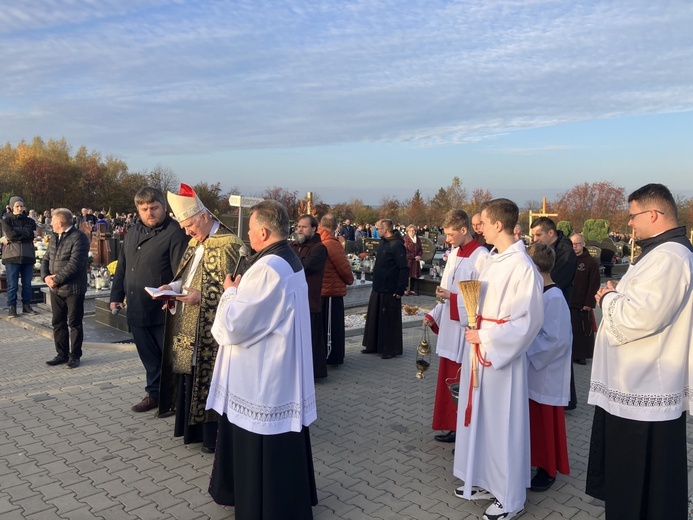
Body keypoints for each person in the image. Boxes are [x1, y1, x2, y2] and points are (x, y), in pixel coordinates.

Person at [586, 183, 693, 520]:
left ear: (653, 214)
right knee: (634, 484)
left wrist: (608, 298)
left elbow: (640, 318)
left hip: (645, 388)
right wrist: (620, 290)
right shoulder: (658, 253)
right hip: (632, 385)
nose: (629, 223)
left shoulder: (670, 257)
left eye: (633, 216)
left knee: (642, 486)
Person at [207, 200, 318, 518]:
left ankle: (265, 507)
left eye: (251, 229)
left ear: (264, 231)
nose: (248, 235)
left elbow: (234, 327)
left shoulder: (268, 268)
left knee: (263, 441)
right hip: (279, 367)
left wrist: (230, 292)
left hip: (263, 376)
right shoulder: (287, 258)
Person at [454, 198, 543, 520]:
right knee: (481, 419)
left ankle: (510, 497)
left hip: (500, 358)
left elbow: (529, 321)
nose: (479, 228)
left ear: (498, 225)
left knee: (502, 425)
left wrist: (488, 337)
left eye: (484, 223)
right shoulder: (492, 260)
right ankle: (483, 479)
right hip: (479, 347)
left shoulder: (522, 267)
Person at [156, 183, 243, 452]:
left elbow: (237, 293)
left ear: (204, 216)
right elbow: (186, 276)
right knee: (189, 374)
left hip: (211, 329)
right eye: (183, 227)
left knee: (209, 377)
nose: (187, 232)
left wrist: (201, 298)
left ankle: (212, 436)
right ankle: (192, 431)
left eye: (189, 225)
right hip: (188, 320)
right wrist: (172, 289)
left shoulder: (230, 244)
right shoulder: (195, 242)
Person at [110, 187, 189, 413]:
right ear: (138, 210)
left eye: (154, 208)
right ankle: (154, 394)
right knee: (148, 357)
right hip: (136, 306)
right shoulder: (133, 231)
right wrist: (116, 296)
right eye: (144, 209)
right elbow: (123, 266)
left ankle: (173, 400)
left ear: (164, 206)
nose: (149, 213)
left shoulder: (175, 233)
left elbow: (180, 273)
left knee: (168, 358)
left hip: (162, 309)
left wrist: (174, 294)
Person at [424, 210, 487, 444]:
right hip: (450, 328)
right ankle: (452, 425)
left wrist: (452, 298)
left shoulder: (481, 256)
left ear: (463, 230)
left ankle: (465, 429)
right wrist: (434, 313)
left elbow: (481, 296)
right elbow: (445, 288)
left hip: (464, 329)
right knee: (449, 379)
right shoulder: (453, 254)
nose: (447, 239)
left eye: (450, 234)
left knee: (462, 379)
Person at [525, 243, 571, 492]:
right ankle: (535, 461)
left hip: (546, 373)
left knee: (545, 423)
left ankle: (548, 468)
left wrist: (524, 347)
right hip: (534, 369)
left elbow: (556, 339)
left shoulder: (554, 297)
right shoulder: (539, 293)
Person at [41, 208, 90, 368]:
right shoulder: (55, 237)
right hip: (56, 288)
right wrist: (46, 277)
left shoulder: (79, 238)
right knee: (57, 322)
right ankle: (61, 354)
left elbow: (75, 264)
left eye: (53, 222)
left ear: (60, 222)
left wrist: (57, 279)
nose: (51, 225)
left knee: (74, 323)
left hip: (73, 288)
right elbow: (46, 258)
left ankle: (74, 356)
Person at [361, 219, 409, 360]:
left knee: (388, 320)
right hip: (378, 287)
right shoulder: (383, 242)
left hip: (390, 288)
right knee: (375, 318)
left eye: (378, 229)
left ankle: (390, 348)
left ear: (385, 229)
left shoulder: (397, 245)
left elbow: (403, 268)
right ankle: (373, 345)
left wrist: (400, 289)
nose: (377, 231)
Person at [291, 214, 328, 379]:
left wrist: (290, 263)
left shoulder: (319, 248)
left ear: (314, 228)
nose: (300, 229)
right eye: (298, 226)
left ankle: (311, 373)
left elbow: (308, 266)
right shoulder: (293, 246)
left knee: (310, 339)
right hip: (292, 300)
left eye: (304, 226)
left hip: (309, 301)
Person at [318, 214, 354, 367]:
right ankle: (332, 356)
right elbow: (343, 268)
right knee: (332, 327)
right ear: (335, 227)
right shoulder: (332, 244)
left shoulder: (318, 240)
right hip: (332, 290)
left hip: (321, 290)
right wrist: (350, 280)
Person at [1, 196, 39, 318]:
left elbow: (32, 234)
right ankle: (12, 307)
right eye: (17, 206)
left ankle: (26, 305)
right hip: (12, 256)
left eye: (21, 206)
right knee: (12, 285)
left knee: (27, 284)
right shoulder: (6, 221)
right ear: (12, 207)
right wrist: (26, 235)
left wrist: (17, 236)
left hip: (27, 255)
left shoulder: (30, 222)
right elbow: (10, 235)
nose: (19, 208)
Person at [569, 234, 600, 365]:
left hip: (582, 302)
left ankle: (581, 354)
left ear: (583, 244)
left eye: (577, 244)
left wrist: (589, 302)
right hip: (569, 299)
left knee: (581, 330)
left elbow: (594, 284)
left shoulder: (590, 262)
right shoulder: (568, 259)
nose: (575, 247)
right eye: (572, 244)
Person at [530, 217, 576, 303]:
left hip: (556, 300)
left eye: (538, 235)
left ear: (550, 232)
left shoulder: (566, 252)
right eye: (533, 235)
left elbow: (557, 279)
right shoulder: (539, 247)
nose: (535, 239)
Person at [403, 224, 423, 296]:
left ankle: (412, 289)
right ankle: (405, 289)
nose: (412, 232)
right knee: (407, 275)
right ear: (407, 231)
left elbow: (420, 249)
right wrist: (413, 257)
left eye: (413, 230)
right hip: (408, 260)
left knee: (414, 275)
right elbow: (405, 250)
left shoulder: (417, 239)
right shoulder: (406, 239)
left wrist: (419, 256)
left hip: (416, 261)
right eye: (410, 230)